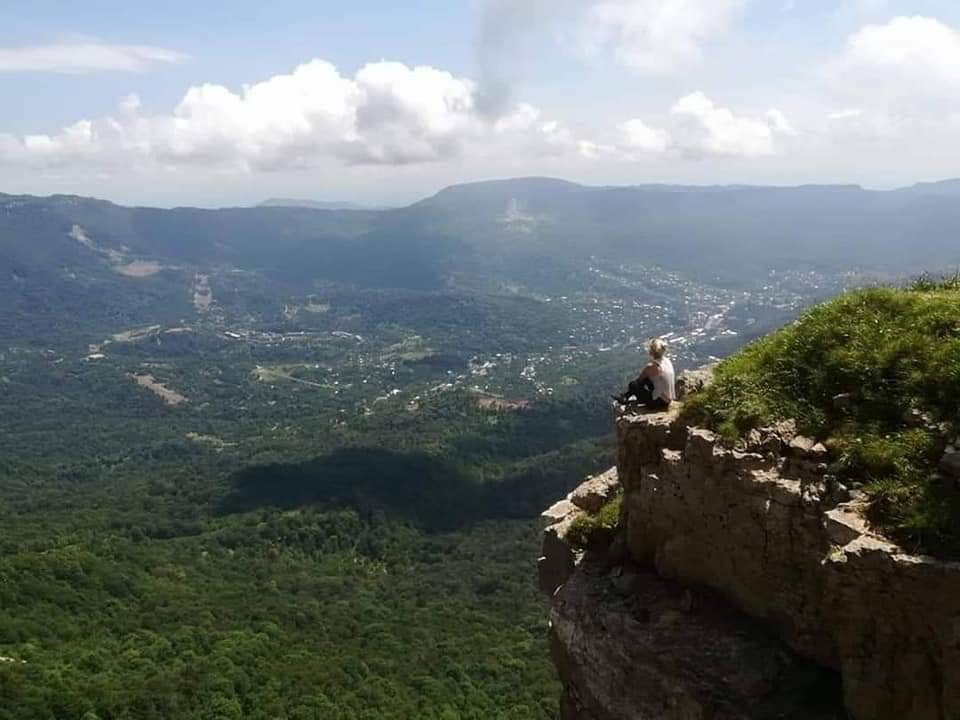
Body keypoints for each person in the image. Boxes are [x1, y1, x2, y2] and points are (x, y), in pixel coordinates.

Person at [615, 338, 676, 410]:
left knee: (633, 385)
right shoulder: (667, 361)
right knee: (647, 379)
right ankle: (625, 396)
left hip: (659, 403)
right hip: (669, 398)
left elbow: (639, 381)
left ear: (651, 352)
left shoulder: (651, 366)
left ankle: (625, 397)